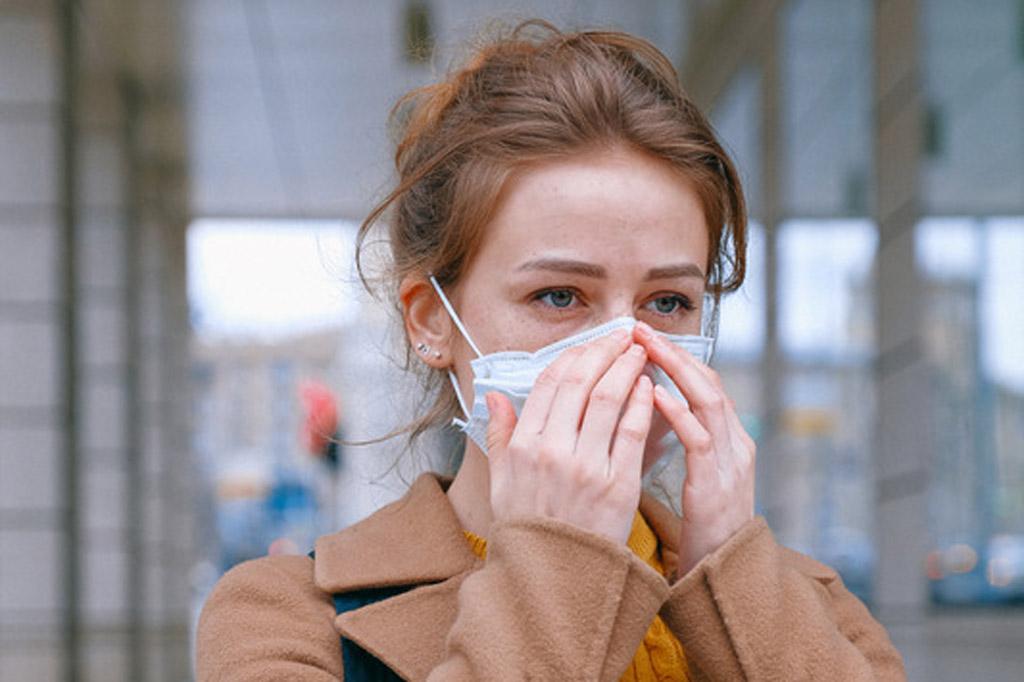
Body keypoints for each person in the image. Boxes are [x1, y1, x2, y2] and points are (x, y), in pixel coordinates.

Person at [195, 20, 906, 681]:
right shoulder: (284, 615)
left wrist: (730, 577)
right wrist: (561, 569)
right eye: (559, 296)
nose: (626, 350)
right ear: (430, 322)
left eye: (668, 303)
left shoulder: (817, 610)